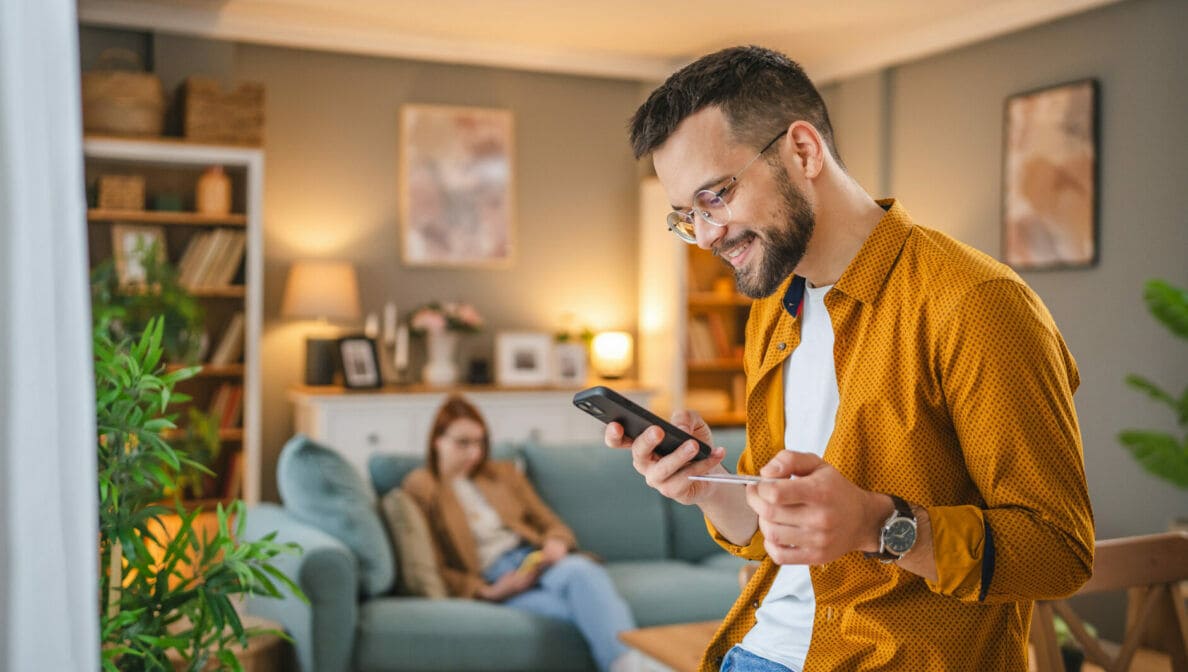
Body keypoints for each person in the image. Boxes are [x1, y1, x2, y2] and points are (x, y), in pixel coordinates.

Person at [607, 46, 1094, 672]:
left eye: (716, 198)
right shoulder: (772, 308)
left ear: (803, 151)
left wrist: (878, 525)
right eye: (687, 216)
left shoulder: (975, 304)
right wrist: (709, 489)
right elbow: (774, 530)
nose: (704, 236)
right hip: (753, 651)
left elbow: (1059, 552)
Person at [403, 395, 637, 672]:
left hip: (537, 559)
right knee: (579, 611)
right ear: (437, 440)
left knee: (581, 572)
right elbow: (436, 565)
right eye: (463, 443)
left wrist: (556, 542)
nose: (475, 453)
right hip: (500, 580)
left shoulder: (502, 474)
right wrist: (489, 592)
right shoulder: (422, 488)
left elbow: (550, 522)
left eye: (480, 442)